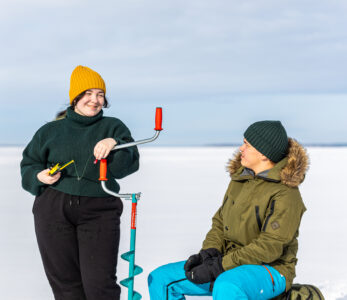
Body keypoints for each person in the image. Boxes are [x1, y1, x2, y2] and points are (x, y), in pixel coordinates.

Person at [148, 121, 309, 300]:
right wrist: (209, 253)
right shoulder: (240, 180)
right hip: (229, 261)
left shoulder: (286, 193)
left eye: (247, 144)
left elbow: (269, 247)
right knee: (161, 278)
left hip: (272, 268)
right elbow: (220, 223)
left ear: (264, 154)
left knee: (227, 285)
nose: (241, 148)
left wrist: (219, 266)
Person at [20, 65, 139, 300]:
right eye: (88, 93)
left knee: (100, 285)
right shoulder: (50, 131)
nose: (94, 100)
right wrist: (39, 176)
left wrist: (114, 143)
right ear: (75, 97)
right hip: (53, 207)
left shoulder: (113, 127)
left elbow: (128, 165)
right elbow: (29, 165)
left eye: (100, 94)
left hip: (100, 209)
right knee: (65, 284)